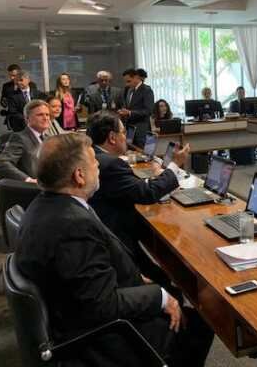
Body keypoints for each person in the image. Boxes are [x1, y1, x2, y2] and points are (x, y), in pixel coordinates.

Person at [15, 133, 213, 366]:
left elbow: (85, 276)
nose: (98, 165)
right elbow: (102, 306)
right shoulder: (72, 226)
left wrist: (134, 276)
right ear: (79, 175)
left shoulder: (44, 205)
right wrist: (160, 297)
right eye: (93, 162)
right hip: (102, 339)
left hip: (74, 313)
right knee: (201, 325)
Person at [87, 110, 189, 284]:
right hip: (118, 240)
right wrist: (175, 165)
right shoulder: (110, 164)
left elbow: (132, 188)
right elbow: (147, 193)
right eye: (123, 132)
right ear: (112, 137)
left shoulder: (97, 156)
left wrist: (153, 180)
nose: (126, 138)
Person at [0, 99, 50, 182]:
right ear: (27, 119)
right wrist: (28, 180)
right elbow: (1, 164)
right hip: (32, 187)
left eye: (47, 115)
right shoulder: (19, 138)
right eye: (40, 115)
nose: (45, 118)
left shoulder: (48, 138)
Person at [119, 68, 154, 147]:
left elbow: (148, 111)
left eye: (129, 81)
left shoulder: (146, 90)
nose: (127, 84)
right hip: (130, 130)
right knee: (130, 151)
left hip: (141, 130)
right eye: (126, 82)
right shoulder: (129, 90)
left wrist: (130, 113)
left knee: (143, 152)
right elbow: (129, 106)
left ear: (136, 77)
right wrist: (123, 112)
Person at [0, 64, 37, 129]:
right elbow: (3, 102)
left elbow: (35, 99)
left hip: (32, 118)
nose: (12, 78)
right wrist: (4, 102)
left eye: (14, 75)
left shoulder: (31, 85)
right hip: (16, 118)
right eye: (10, 75)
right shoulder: (6, 86)